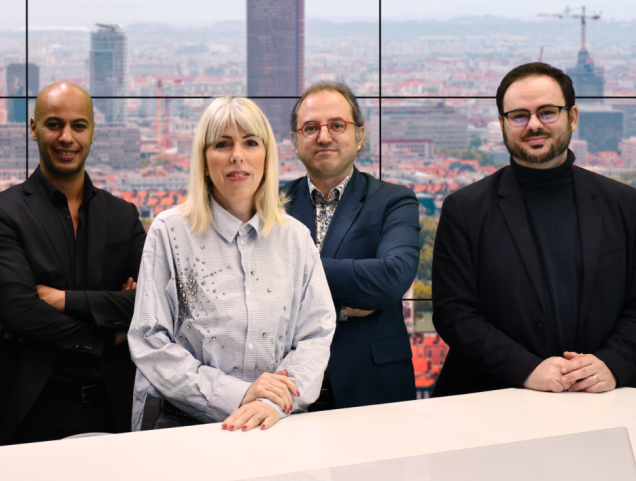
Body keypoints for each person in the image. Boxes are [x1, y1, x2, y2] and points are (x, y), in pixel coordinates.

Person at [128, 96, 336, 432]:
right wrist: (235, 395)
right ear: (203, 160)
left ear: (267, 157)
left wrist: (272, 402)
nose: (237, 155)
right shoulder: (170, 232)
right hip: (183, 427)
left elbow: (316, 335)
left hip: (272, 425)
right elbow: (149, 340)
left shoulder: (296, 239)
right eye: (222, 144)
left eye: (250, 142)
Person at [0, 82, 146, 444]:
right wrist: (111, 334)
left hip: (116, 405)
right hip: (30, 411)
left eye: (78, 126)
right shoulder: (0, 212)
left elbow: (154, 302)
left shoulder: (123, 214)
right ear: (34, 128)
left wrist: (63, 300)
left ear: (92, 132)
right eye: (54, 124)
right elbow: (20, 314)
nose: (66, 137)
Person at [432, 62, 636, 397]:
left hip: (602, 398)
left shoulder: (626, 203)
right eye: (519, 116)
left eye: (547, 112)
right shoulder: (464, 209)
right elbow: (453, 313)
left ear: (572, 117)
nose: (534, 125)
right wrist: (526, 368)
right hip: (495, 398)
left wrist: (613, 363)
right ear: (502, 124)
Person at [282, 82, 420, 409]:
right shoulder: (271, 204)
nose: (324, 136)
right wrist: (343, 309)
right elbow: (252, 287)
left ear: (359, 136)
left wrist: (290, 273)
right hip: (287, 384)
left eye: (337, 125)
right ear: (295, 140)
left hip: (372, 383)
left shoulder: (394, 200)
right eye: (311, 128)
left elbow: (392, 277)